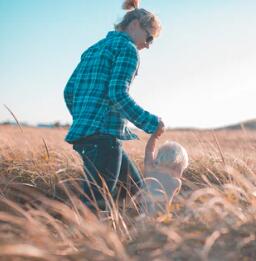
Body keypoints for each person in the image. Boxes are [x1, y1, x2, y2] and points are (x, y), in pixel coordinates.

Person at [63, 0, 164, 209]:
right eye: (150, 37)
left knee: (134, 191)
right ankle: (71, 239)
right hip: (104, 138)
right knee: (95, 203)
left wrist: (85, 118)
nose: (148, 45)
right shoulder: (128, 50)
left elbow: (69, 92)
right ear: (135, 24)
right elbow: (117, 94)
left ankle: (127, 238)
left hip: (88, 136)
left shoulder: (93, 49)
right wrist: (151, 123)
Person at [139, 127, 189, 215]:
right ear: (177, 166)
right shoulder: (176, 183)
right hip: (160, 219)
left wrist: (154, 136)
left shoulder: (150, 170)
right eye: (182, 169)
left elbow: (149, 150)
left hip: (142, 216)